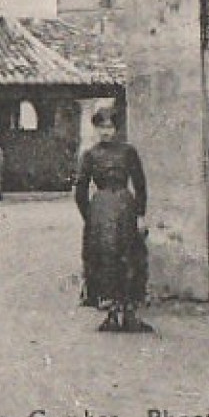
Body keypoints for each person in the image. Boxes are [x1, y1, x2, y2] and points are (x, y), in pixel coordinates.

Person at [74, 105, 151, 333]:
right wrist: (90, 216)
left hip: (126, 208)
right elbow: (80, 190)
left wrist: (140, 214)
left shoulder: (128, 152)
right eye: (101, 127)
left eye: (109, 127)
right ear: (96, 129)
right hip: (101, 211)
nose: (105, 132)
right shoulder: (89, 155)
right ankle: (110, 313)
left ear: (116, 128)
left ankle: (130, 313)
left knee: (129, 257)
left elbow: (140, 185)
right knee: (104, 259)